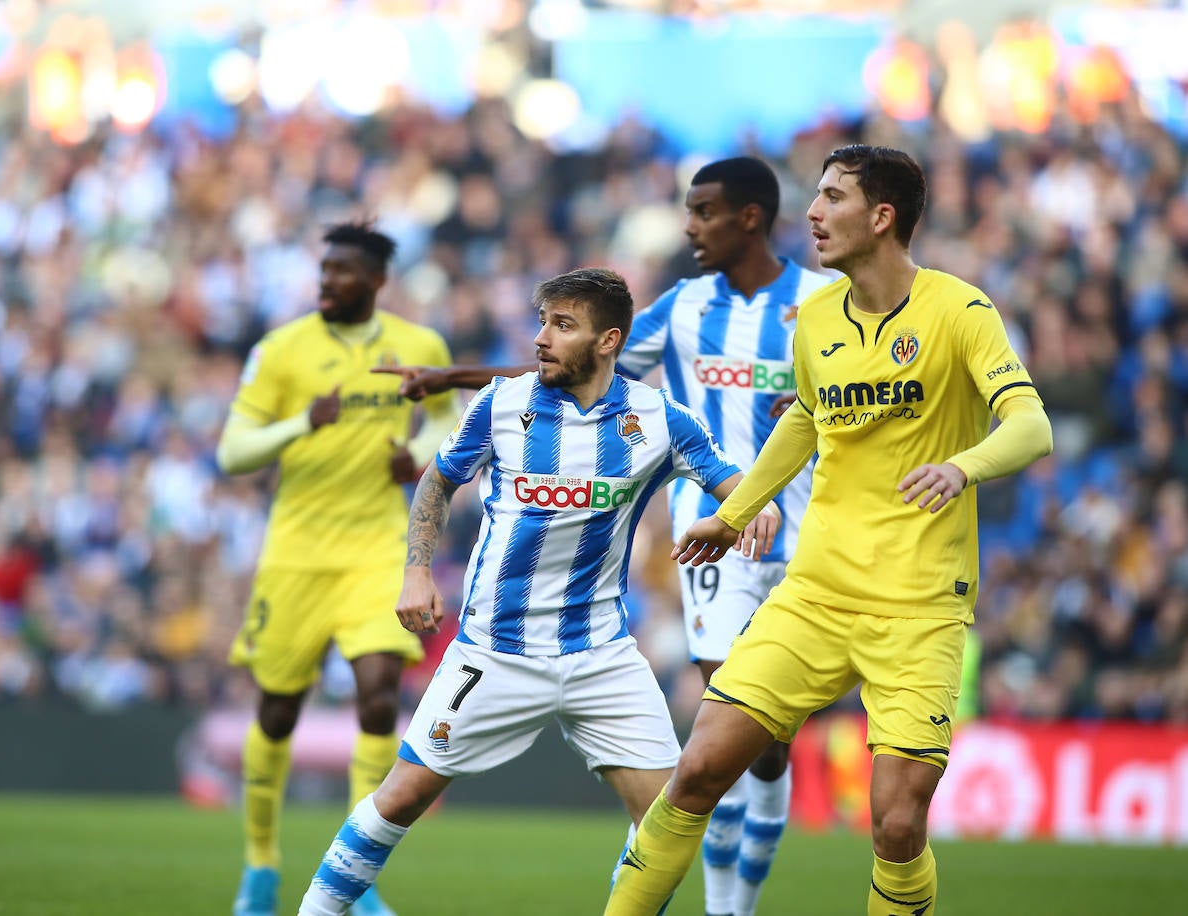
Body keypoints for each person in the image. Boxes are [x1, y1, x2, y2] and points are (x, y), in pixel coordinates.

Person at [604, 145, 1054, 915]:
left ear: (881, 218)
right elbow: (806, 422)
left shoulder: (960, 310)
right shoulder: (815, 318)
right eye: (814, 197)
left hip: (917, 607)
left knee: (897, 822)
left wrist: (963, 467)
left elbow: (1031, 425)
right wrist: (730, 515)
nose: (811, 213)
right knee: (700, 770)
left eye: (832, 197)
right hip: (815, 592)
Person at [378, 157, 831, 916]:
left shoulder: (823, 305)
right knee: (726, 724)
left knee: (771, 742)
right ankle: (726, 910)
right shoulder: (684, 307)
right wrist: (459, 378)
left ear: (748, 217)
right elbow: (576, 359)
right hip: (711, 538)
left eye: (704, 211)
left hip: (808, 535)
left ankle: (736, 881)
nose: (689, 226)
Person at [296, 267, 781, 916]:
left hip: (600, 656)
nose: (542, 339)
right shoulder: (503, 404)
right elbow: (438, 481)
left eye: (562, 325)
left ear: (608, 340)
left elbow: (737, 485)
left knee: (667, 821)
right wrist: (416, 570)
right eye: (542, 322)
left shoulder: (659, 420)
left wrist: (750, 509)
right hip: (494, 650)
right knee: (403, 795)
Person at [218, 221, 459, 916]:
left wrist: (417, 460)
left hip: (379, 550)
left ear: (377, 280)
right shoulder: (281, 350)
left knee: (381, 693)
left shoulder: (419, 347)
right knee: (276, 711)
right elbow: (232, 451)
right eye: (324, 271)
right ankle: (260, 865)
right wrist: (302, 423)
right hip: (294, 556)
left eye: (343, 271)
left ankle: (356, 877)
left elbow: (452, 421)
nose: (328, 282)